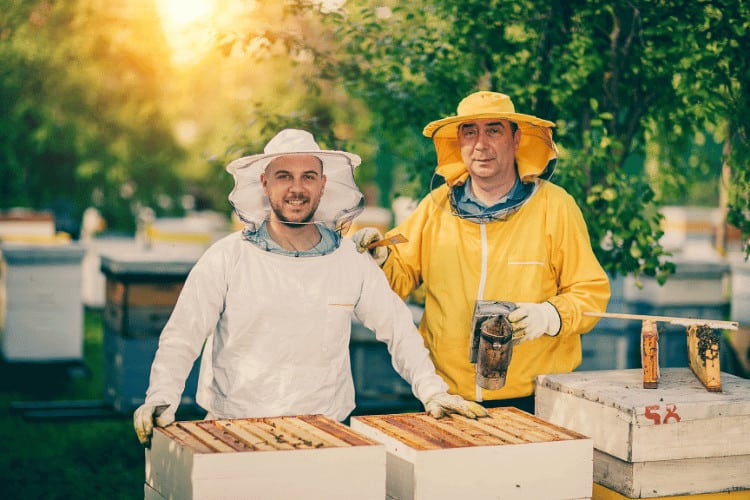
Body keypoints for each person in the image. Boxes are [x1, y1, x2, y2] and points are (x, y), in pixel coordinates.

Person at [133, 128, 487, 446]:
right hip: (235, 430)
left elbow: (398, 330)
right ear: (264, 182)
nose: (296, 188)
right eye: (284, 176)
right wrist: (161, 396)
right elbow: (183, 335)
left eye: (308, 177)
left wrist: (432, 391)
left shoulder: (349, 260)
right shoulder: (226, 258)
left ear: (322, 185)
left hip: (326, 433)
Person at [353, 91, 611, 414]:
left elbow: (590, 292)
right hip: (448, 398)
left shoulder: (554, 207)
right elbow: (398, 281)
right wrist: (381, 259)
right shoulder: (435, 208)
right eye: (470, 132)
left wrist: (550, 315)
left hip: (536, 399)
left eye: (493, 130)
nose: (481, 144)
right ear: (458, 143)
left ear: (516, 139)